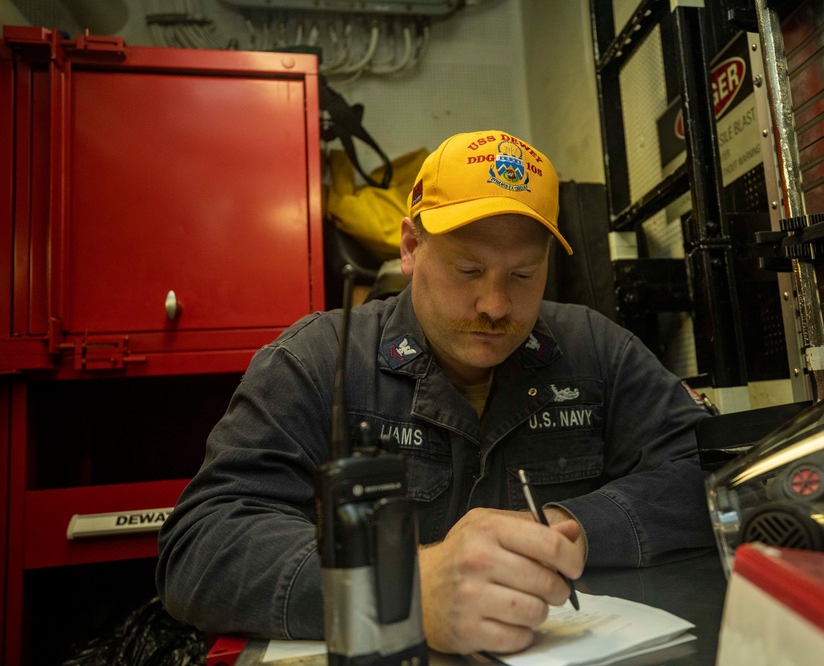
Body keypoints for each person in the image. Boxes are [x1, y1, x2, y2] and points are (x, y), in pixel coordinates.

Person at [156, 129, 715, 655]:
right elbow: (203, 544)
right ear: (410, 248)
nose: (496, 306)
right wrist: (400, 594)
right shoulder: (317, 363)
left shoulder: (595, 351)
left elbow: (711, 475)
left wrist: (566, 529)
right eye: (469, 270)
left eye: (523, 276)